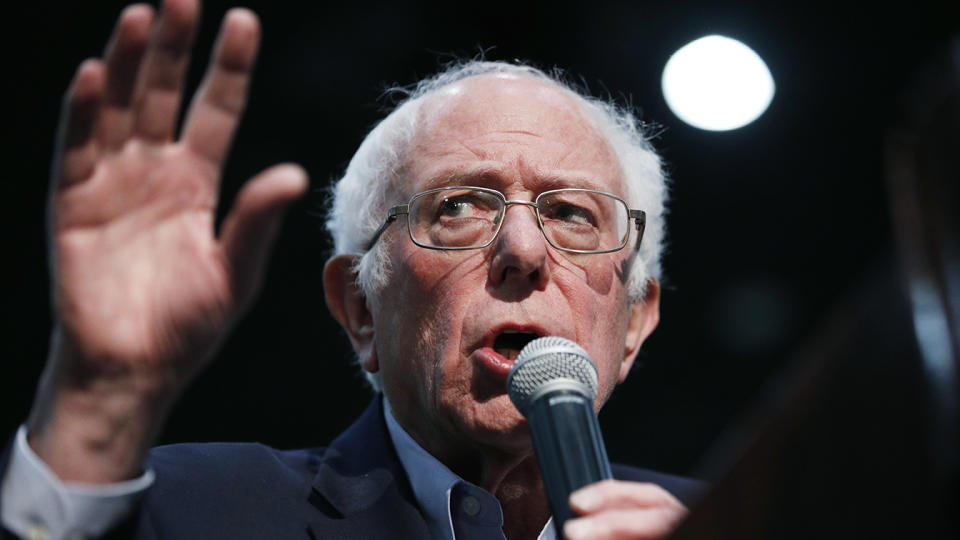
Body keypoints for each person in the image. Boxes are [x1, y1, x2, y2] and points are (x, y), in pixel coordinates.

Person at [0, 0, 703, 538]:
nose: (521, 249)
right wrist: (99, 406)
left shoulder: (741, 516)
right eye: (458, 205)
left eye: (572, 215)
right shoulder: (194, 513)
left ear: (637, 317)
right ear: (361, 309)